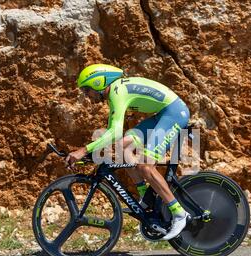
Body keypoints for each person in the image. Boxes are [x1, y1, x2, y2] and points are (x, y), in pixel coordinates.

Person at [65, 64, 190, 240]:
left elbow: (113, 132)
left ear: (98, 83)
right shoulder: (115, 92)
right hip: (163, 115)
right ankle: (145, 197)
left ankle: (179, 214)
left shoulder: (118, 92)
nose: (87, 96)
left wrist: (83, 150)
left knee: (145, 166)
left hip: (174, 114)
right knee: (122, 146)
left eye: (87, 90)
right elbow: (114, 135)